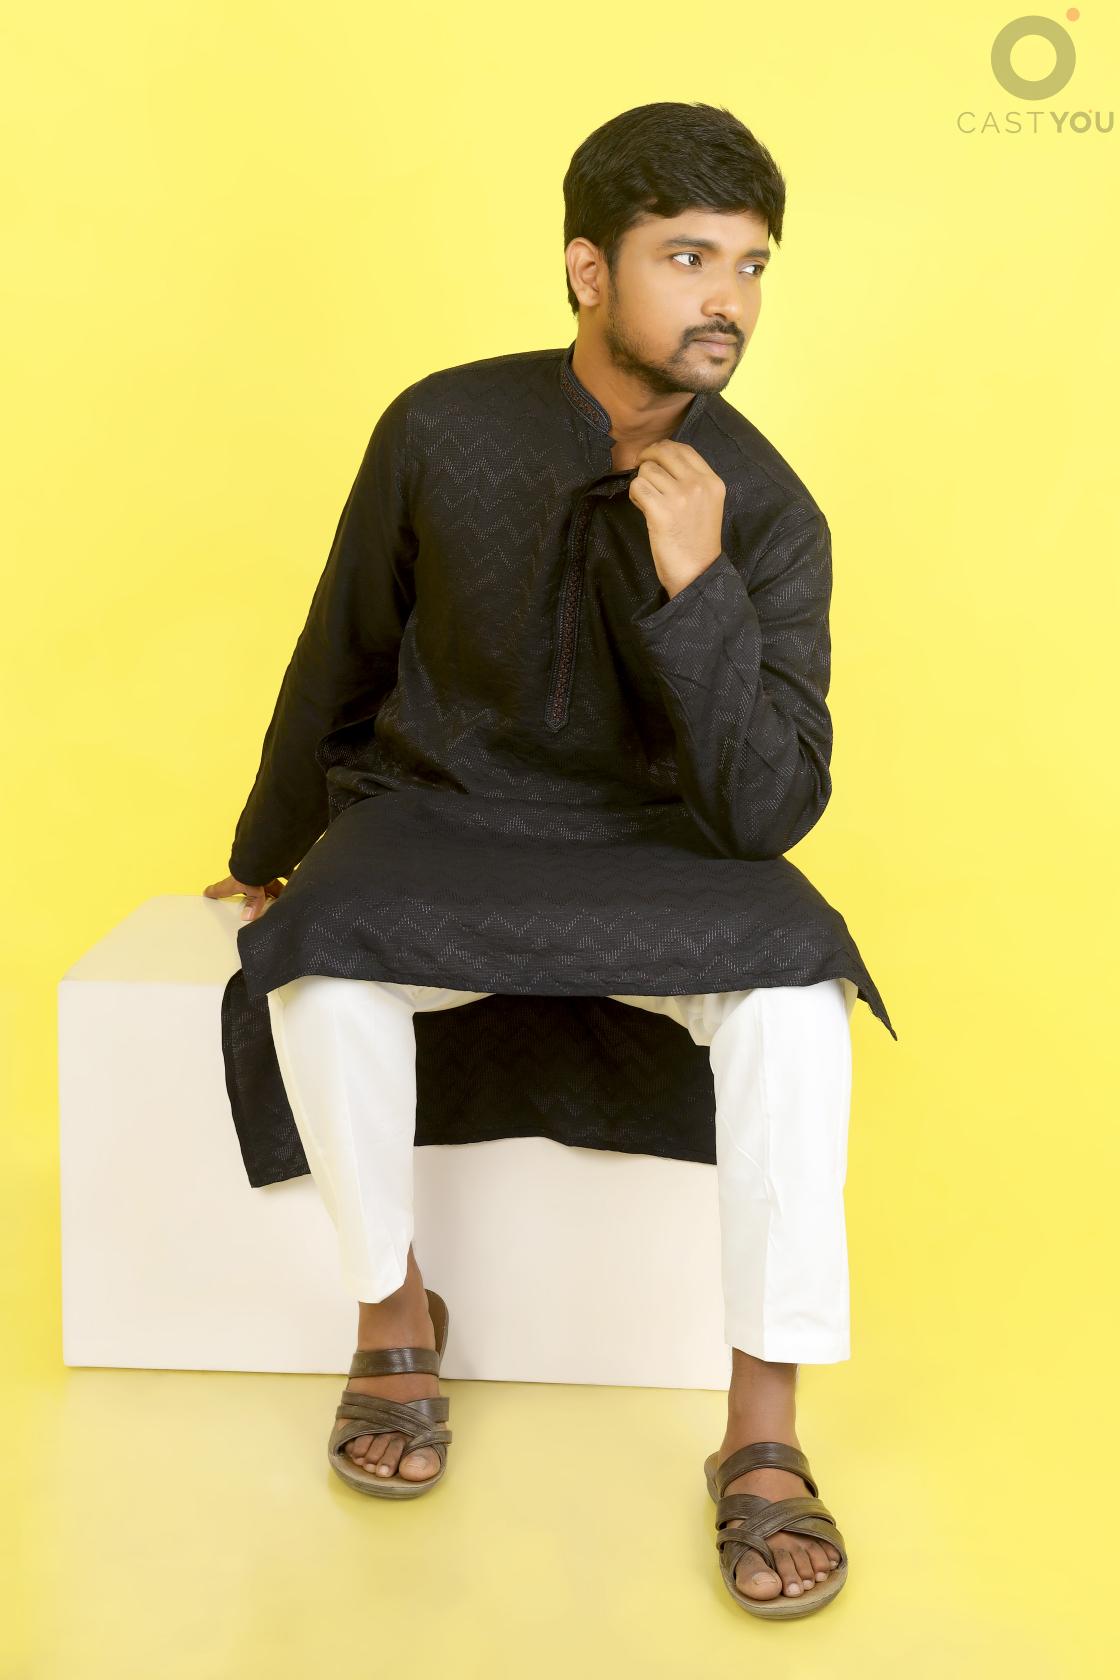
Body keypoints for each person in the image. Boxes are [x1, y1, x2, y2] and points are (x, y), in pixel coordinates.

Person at [204, 100, 895, 1618]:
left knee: (800, 990)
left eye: (753, 266)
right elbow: (345, 645)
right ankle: (395, 1316)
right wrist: (268, 845)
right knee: (315, 958)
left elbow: (769, 808)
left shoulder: (770, 507)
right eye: (688, 258)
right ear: (591, 269)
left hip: (668, 848)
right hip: (442, 811)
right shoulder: (442, 427)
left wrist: (701, 587)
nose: (728, 300)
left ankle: (763, 1426)